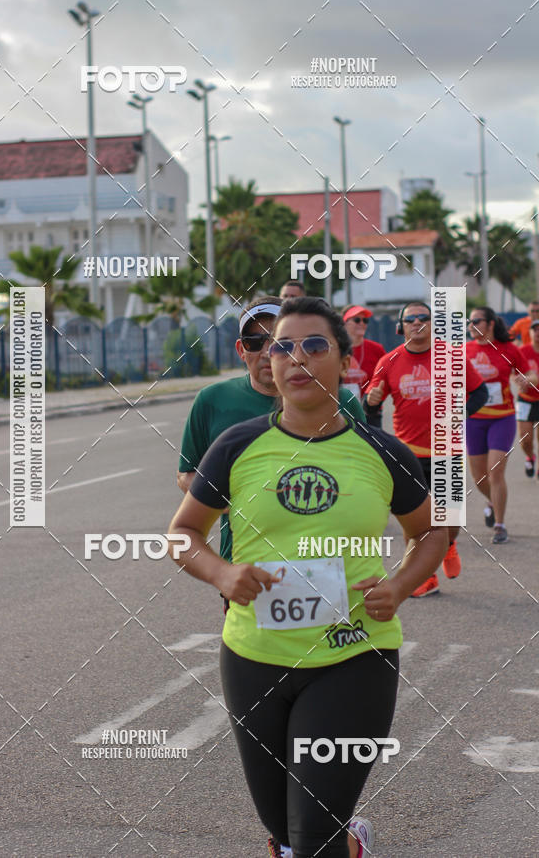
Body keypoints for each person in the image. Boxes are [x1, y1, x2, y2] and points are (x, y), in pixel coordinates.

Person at [169, 296, 448, 858]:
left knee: (312, 836)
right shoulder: (237, 445)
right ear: (269, 366)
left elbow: (432, 532)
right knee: (284, 829)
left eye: (314, 345)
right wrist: (223, 574)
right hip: (253, 658)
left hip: (353, 656)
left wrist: (399, 584)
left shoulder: (380, 450)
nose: (296, 357)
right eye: (281, 347)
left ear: (344, 361)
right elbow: (183, 535)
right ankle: (349, 844)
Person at [177, 296, 365, 563]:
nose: (266, 351)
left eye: (277, 341)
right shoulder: (211, 401)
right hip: (246, 562)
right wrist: (232, 505)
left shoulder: (338, 400)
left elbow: (368, 473)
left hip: (329, 560)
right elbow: (187, 474)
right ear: (241, 351)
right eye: (254, 342)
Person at [364, 302, 488, 595]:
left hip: (447, 450)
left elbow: (480, 393)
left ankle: (448, 545)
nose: (417, 322)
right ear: (401, 326)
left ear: (433, 323)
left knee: (449, 521)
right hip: (408, 454)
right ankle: (426, 577)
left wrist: (458, 413)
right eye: (410, 319)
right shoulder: (388, 361)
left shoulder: (452, 357)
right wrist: (371, 401)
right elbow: (371, 410)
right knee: (414, 520)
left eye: (424, 317)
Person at [467, 307, 535, 543]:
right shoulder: (464, 351)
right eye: (469, 321)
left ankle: (499, 524)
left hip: (502, 418)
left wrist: (526, 380)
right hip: (473, 420)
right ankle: (492, 501)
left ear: (490, 324)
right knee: (478, 478)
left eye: (476, 321)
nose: (471, 325)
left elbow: (531, 373)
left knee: (496, 472)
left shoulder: (508, 349)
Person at [341, 305, 386, 421]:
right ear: (344, 323)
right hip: (343, 411)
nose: (362, 323)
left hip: (370, 412)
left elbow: (387, 375)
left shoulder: (376, 349)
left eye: (365, 320)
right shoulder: (336, 349)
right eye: (357, 320)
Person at [515, 318, 539, 476]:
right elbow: (513, 373)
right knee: (525, 440)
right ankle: (530, 457)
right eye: (534, 329)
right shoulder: (522, 351)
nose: (538, 333)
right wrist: (519, 381)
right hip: (525, 399)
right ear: (529, 332)